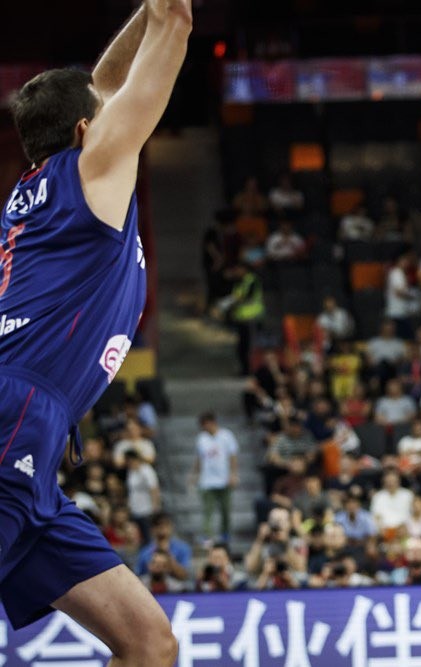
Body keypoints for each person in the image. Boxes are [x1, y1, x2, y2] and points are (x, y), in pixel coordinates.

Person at [0, 2, 188, 660]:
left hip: (34, 432)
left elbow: (104, 84)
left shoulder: (51, 185)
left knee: (149, 641)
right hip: (16, 411)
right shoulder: (94, 170)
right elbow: (176, 27)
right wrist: (168, 12)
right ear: (87, 131)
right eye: (102, 116)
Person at [190, 412, 239, 544]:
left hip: (224, 480)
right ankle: (207, 535)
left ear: (211, 422)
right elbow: (199, 459)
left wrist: (233, 474)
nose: (203, 428)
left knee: (225, 510)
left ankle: (225, 533)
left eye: (204, 425)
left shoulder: (226, 436)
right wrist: (195, 475)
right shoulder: (201, 438)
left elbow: (232, 456)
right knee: (207, 510)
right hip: (207, 481)